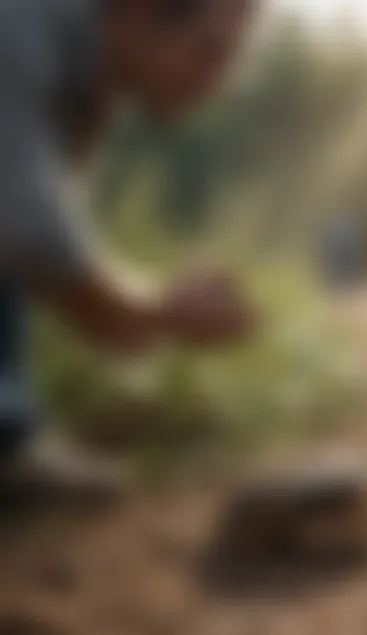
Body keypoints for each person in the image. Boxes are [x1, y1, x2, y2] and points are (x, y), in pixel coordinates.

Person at [0, 0, 260, 512]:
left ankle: (7, 442)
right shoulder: (17, 31)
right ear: (137, 12)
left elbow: (53, 252)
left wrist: (146, 309)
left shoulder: (91, 85)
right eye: (209, 53)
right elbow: (26, 230)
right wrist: (162, 310)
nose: (218, 83)